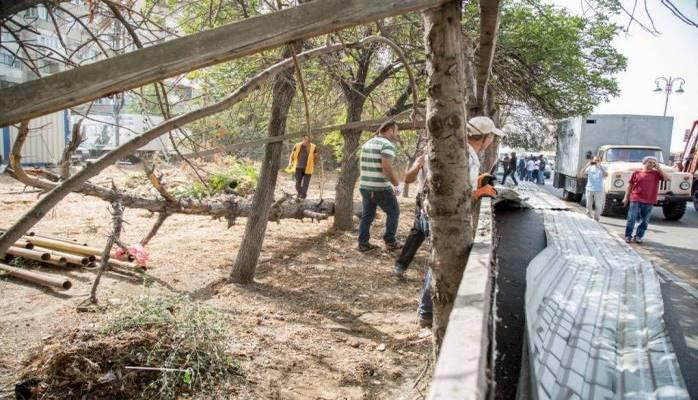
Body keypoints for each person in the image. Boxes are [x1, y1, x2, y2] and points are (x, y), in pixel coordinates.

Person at [416, 116, 504, 327]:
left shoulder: (456, 150)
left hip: (430, 210)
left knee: (439, 259)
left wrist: (476, 181)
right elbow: (458, 195)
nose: (492, 140)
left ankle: (427, 311)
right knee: (441, 261)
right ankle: (426, 313)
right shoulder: (467, 157)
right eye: (492, 136)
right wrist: (480, 191)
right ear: (486, 137)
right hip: (444, 217)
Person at [357, 120, 402, 252]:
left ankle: (363, 243)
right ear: (390, 130)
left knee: (367, 215)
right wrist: (396, 184)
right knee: (394, 212)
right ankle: (390, 241)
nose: (397, 133)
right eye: (396, 130)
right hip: (380, 188)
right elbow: (386, 168)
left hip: (365, 186)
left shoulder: (367, 144)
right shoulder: (387, 145)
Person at [623, 156, 671, 244]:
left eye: (654, 163)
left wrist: (659, 169)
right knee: (632, 218)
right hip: (636, 197)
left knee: (645, 220)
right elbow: (629, 185)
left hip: (649, 200)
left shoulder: (656, 174)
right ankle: (628, 235)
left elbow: (668, 179)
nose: (652, 165)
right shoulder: (636, 173)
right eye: (650, 162)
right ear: (644, 163)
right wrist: (626, 197)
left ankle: (638, 236)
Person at [582, 156, 608, 221]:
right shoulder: (590, 167)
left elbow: (606, 175)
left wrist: (600, 167)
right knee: (588, 204)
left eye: (598, 160)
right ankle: (589, 217)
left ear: (600, 161)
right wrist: (587, 165)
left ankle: (596, 218)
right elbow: (582, 172)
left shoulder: (603, 167)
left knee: (598, 205)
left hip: (599, 189)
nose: (596, 161)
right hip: (589, 188)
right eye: (595, 160)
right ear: (593, 160)